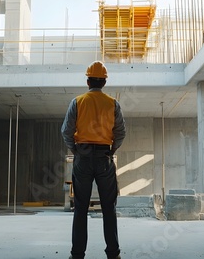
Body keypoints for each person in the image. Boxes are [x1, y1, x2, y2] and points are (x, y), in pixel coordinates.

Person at [61, 61, 126, 259]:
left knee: (80, 208)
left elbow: (66, 131)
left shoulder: (78, 102)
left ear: (88, 81)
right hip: (104, 158)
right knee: (109, 207)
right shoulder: (113, 103)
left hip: (83, 157)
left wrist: (77, 151)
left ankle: (78, 254)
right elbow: (120, 133)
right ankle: (113, 254)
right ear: (104, 82)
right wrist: (110, 150)